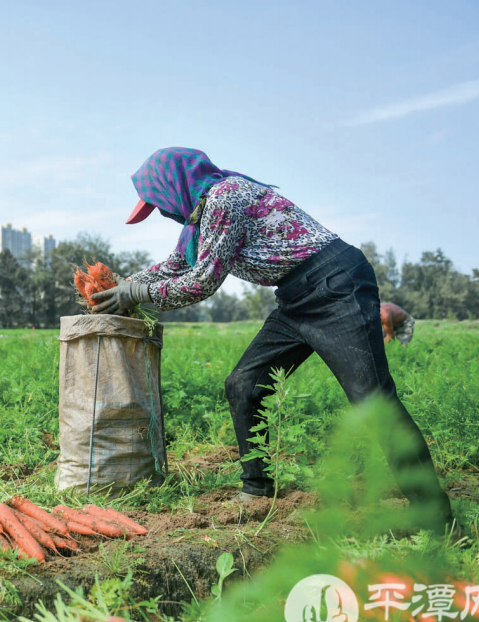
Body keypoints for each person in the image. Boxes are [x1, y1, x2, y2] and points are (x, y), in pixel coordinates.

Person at [91, 147, 455, 534]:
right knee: (244, 384)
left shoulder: (225, 198)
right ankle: (258, 487)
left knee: (373, 400)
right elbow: (177, 265)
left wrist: (135, 296)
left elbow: (202, 282)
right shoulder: (201, 217)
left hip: (336, 286)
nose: (163, 213)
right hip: (296, 297)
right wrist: (124, 284)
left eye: (159, 204)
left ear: (173, 186)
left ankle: (435, 517)